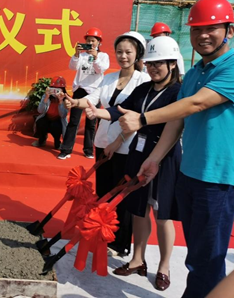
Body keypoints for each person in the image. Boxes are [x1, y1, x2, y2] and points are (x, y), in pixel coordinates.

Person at [118, 0, 234, 298]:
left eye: (211, 28)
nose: (202, 35)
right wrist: (154, 159)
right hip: (190, 175)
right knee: (197, 255)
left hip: (220, 181)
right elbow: (177, 120)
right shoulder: (194, 73)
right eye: (196, 29)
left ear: (230, 31)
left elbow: (196, 104)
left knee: (207, 260)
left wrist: (142, 119)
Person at [86, 36, 183, 291]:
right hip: (138, 155)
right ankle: (138, 259)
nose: (152, 68)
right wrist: (97, 112)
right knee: (139, 210)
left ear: (172, 64)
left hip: (165, 158)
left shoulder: (178, 93)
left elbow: (175, 126)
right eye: (149, 63)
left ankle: (164, 267)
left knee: (162, 215)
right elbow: (119, 109)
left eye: (158, 63)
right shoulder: (144, 89)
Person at [63, 31, 150, 256]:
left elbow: (136, 117)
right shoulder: (109, 78)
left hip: (126, 146)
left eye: (128, 52)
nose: (123, 56)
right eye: (119, 52)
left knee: (120, 195)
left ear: (138, 54)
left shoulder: (143, 81)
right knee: (103, 191)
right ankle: (101, 234)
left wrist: (118, 141)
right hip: (103, 141)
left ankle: (120, 243)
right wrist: (75, 102)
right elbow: (93, 100)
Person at [57, 27, 110, 160]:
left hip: (95, 91)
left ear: (99, 42)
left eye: (93, 41)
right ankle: (66, 149)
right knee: (73, 121)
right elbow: (72, 67)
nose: (90, 43)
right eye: (88, 40)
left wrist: (95, 56)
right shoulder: (81, 56)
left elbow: (101, 69)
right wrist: (76, 54)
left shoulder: (103, 56)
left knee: (91, 123)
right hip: (80, 90)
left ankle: (88, 150)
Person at [32, 76, 70, 150]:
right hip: (47, 117)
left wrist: (60, 101)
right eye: (53, 88)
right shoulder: (46, 96)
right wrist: (46, 98)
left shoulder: (66, 99)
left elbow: (63, 115)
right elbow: (40, 110)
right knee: (40, 122)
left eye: (59, 89)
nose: (55, 91)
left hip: (58, 120)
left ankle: (57, 143)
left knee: (56, 126)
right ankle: (42, 140)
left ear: (63, 89)